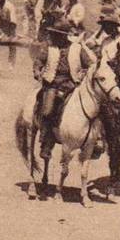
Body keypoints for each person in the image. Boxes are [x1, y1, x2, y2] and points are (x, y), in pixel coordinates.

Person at [36, 23, 83, 159]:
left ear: (64, 36)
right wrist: (37, 70)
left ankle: (95, 140)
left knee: (92, 104)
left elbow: (90, 63)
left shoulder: (77, 48)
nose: (53, 37)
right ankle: (46, 144)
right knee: (48, 111)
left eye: (56, 34)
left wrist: (84, 73)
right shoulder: (48, 47)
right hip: (53, 84)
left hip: (72, 84)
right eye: (53, 34)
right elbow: (39, 60)